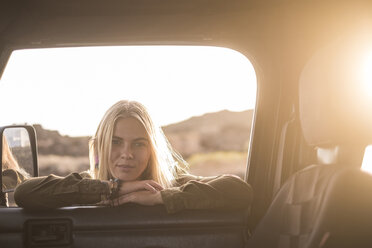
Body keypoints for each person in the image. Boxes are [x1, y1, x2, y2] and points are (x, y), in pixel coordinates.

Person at [14, 100, 253, 213]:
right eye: (116, 142)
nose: (127, 154)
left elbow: (238, 190)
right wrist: (115, 188)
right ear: (100, 148)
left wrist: (160, 199)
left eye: (138, 144)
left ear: (151, 150)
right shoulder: (84, 187)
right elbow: (25, 193)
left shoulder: (169, 186)